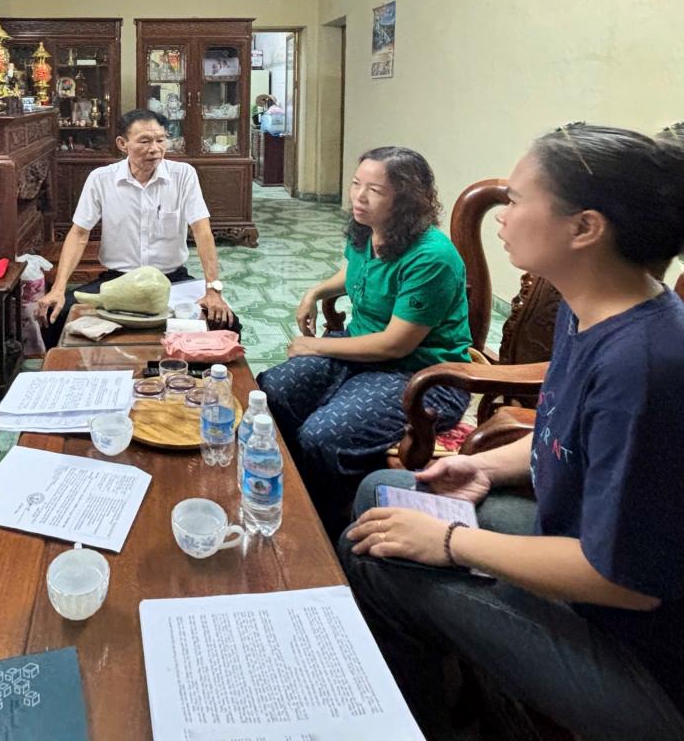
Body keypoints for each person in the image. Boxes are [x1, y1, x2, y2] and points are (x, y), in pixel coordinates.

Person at [342, 125, 684, 740]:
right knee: (381, 492)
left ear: (584, 228)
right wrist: (485, 467)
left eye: (518, 199)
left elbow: (625, 583)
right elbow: (562, 428)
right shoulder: (591, 308)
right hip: (581, 549)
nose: (502, 214)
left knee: (378, 556)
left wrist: (449, 542)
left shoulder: (648, 364)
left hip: (642, 659)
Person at [256, 146, 472, 535]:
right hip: (360, 350)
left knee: (323, 435)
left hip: (422, 374)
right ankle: (290, 488)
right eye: (357, 184)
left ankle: (324, 523)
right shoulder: (368, 230)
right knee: (273, 389)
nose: (359, 196)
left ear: (406, 200)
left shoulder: (432, 256)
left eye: (374, 190)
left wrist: (316, 345)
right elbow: (353, 270)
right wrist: (315, 292)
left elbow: (395, 345)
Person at [39, 108, 240, 347]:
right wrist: (59, 288)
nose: (155, 148)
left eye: (161, 139)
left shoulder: (183, 175)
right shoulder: (101, 179)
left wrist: (212, 289)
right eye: (144, 141)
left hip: (171, 281)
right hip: (117, 281)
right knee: (54, 316)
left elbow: (202, 231)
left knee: (227, 322)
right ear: (123, 144)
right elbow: (79, 234)